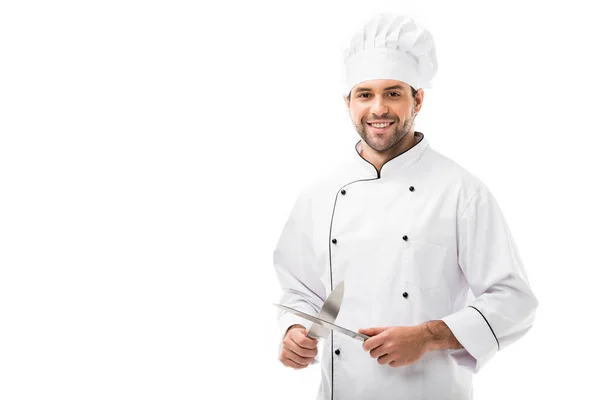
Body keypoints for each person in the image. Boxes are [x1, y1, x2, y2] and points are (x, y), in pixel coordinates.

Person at [272, 13, 538, 400]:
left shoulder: (461, 191)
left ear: (418, 99)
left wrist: (428, 337)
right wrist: (294, 332)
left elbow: (514, 301)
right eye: (365, 94)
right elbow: (298, 291)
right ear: (348, 102)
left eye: (393, 93)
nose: (378, 108)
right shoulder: (320, 193)